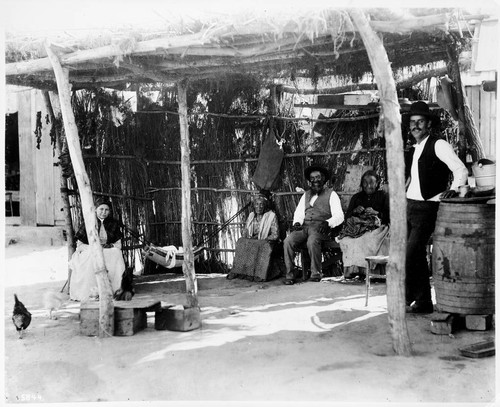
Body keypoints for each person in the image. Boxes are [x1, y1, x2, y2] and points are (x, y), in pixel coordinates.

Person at [404, 101, 468, 313]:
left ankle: (406, 297)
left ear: (428, 124)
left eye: (420, 122)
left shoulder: (438, 144)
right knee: (415, 254)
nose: (416, 126)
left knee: (411, 253)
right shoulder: (415, 148)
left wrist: (453, 189)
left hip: (428, 208)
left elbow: (460, 170)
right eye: (412, 122)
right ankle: (423, 302)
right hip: (410, 206)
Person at [283, 165, 344, 284]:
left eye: (318, 178)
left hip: (321, 229)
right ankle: (290, 274)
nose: (315, 181)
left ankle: (316, 273)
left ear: (324, 179)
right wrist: (297, 222)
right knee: (288, 241)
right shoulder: (305, 195)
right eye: (312, 178)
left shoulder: (331, 194)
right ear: (309, 181)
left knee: (312, 240)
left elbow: (340, 215)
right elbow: (299, 213)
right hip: (304, 228)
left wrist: (328, 223)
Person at [69, 198, 126, 301]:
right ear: (95, 209)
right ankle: (91, 292)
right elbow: (80, 246)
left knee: (116, 253)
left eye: (106, 210)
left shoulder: (113, 223)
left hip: (108, 251)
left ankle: (114, 290)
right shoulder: (88, 222)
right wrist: (94, 247)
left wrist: (110, 246)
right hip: (90, 250)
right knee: (91, 256)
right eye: (101, 209)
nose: (104, 212)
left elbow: (118, 245)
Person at [338, 170, 390, 280]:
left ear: (377, 183)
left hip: (378, 228)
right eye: (365, 183)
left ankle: (370, 272)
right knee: (348, 240)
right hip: (357, 228)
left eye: (371, 182)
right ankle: (354, 271)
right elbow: (347, 217)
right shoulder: (356, 197)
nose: (368, 186)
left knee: (368, 239)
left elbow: (390, 216)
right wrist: (355, 211)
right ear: (361, 184)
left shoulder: (383, 196)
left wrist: (377, 213)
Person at [227, 193, 281, 281]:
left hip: (265, 241)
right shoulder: (251, 216)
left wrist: (264, 239)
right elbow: (246, 232)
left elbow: (275, 235)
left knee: (259, 245)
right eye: (257, 204)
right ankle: (238, 271)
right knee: (241, 242)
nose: (259, 207)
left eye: (261, 204)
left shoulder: (271, 216)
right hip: (253, 240)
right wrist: (247, 236)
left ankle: (260, 275)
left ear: (265, 206)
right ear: (254, 205)